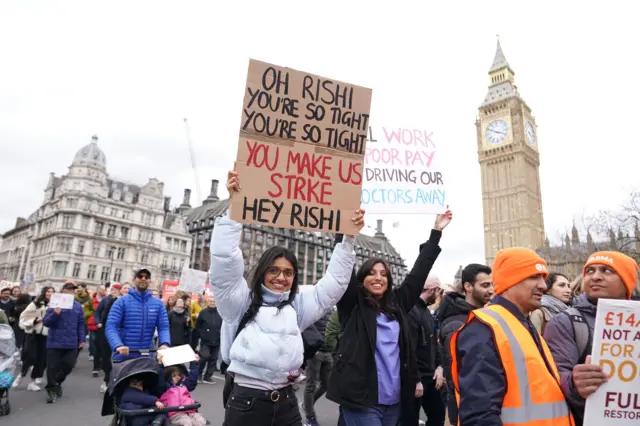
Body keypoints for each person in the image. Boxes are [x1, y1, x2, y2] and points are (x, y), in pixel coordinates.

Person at [212, 170, 363, 426]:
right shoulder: (239, 301)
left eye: (288, 272)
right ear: (262, 272)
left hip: (286, 403)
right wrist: (234, 209)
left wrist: (348, 239)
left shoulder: (298, 307)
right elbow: (225, 261)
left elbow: (334, 284)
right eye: (274, 270)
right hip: (246, 403)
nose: (281, 277)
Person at [326, 209, 452, 426]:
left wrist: (436, 232)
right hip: (362, 400)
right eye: (372, 273)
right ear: (361, 279)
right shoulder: (352, 304)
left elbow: (419, 272)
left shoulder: (398, 303)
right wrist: (345, 234)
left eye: (384, 274)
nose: (378, 278)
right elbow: (342, 267)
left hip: (394, 401)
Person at [450, 248, 574, 426]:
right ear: (510, 282)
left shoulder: (523, 323)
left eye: (543, 278)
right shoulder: (484, 328)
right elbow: (479, 415)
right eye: (533, 277)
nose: (543, 286)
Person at [544, 251, 638, 426]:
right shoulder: (564, 322)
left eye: (607, 271)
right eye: (590, 271)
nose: (595, 277)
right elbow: (554, 377)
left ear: (627, 281)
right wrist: (574, 383)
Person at [437, 263, 493, 426]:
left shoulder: (481, 317)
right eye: (485, 285)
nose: (491, 290)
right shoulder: (456, 324)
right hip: (468, 412)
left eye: (491, 284)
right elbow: (458, 376)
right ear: (468, 286)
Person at [404, 276, 445, 426]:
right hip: (417, 378)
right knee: (410, 420)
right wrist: (415, 380)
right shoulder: (412, 311)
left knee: (438, 415)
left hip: (430, 376)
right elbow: (409, 348)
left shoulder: (425, 311)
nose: (439, 295)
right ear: (432, 290)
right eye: (439, 291)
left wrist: (439, 367)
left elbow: (434, 343)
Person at [106, 269, 170, 360]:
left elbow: (163, 327)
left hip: (147, 355)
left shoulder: (158, 304)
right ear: (134, 279)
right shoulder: (121, 301)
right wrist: (118, 345)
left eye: (146, 277)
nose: (143, 279)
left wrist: (164, 344)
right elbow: (111, 326)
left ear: (149, 281)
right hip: (124, 355)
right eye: (140, 276)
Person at [43, 281, 85, 403]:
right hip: (54, 341)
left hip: (71, 341)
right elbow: (46, 322)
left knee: (69, 365)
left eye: (73, 289)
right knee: (52, 367)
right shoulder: (55, 304)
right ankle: (51, 390)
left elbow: (81, 324)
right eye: (69, 289)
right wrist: (55, 314)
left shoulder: (77, 306)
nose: (72, 291)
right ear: (63, 291)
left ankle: (58, 382)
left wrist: (81, 339)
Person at [13, 286, 53, 391]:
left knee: (41, 359)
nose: (50, 293)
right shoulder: (36, 304)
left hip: (46, 335)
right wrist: (35, 320)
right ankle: (21, 375)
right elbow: (24, 317)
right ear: (44, 293)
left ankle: (32, 381)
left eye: (52, 292)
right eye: (48, 291)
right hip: (33, 334)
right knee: (29, 356)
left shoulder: (55, 306)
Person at [302, 311, 333, 426]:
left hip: (327, 352)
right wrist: (310, 348)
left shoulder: (332, 309)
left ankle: (307, 406)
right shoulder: (314, 308)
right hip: (315, 352)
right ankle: (310, 417)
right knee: (311, 384)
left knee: (327, 384)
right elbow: (304, 328)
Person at [158, 360, 206, 426]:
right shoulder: (166, 387)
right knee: (187, 422)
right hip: (175, 413)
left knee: (200, 420)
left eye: (178, 375)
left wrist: (194, 363)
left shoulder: (183, 385)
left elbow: (192, 379)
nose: (177, 377)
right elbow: (161, 379)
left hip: (189, 410)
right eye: (174, 376)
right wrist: (161, 364)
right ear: (169, 377)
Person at [95, 283, 122, 393]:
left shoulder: (131, 302)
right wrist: (99, 322)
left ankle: (117, 382)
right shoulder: (108, 300)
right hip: (109, 331)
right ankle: (106, 379)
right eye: (124, 288)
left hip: (123, 334)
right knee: (106, 356)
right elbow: (100, 313)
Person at [196, 296, 222, 384]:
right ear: (208, 302)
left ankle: (208, 377)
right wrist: (202, 335)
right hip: (205, 341)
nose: (212, 303)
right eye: (210, 301)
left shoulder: (220, 313)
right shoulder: (203, 312)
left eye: (214, 301)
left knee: (214, 359)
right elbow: (198, 325)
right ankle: (198, 375)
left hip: (217, 340)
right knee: (204, 357)